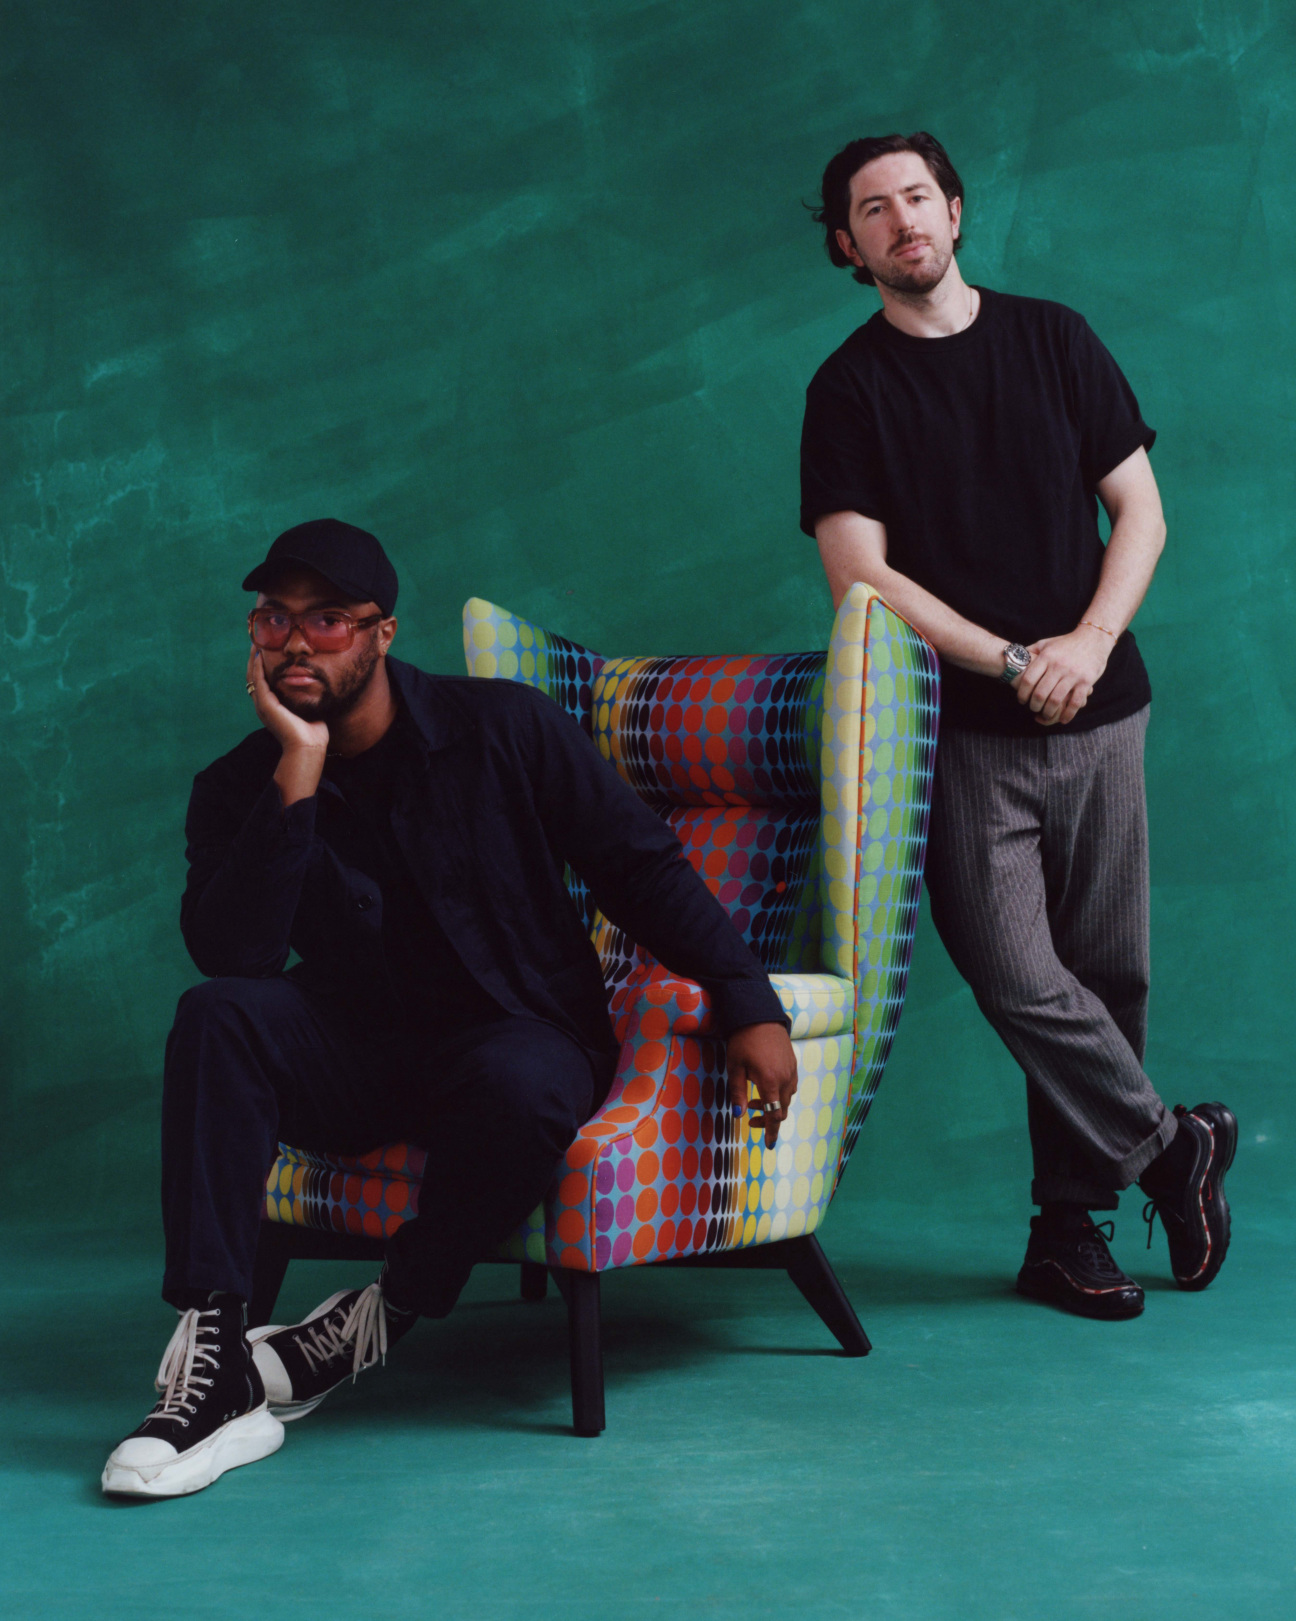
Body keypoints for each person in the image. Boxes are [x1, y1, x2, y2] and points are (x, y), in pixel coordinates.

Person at [102, 518, 797, 1497]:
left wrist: (746, 999)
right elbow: (238, 954)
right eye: (274, 617)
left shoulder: (503, 728)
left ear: (382, 633)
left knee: (522, 1084)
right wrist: (296, 768)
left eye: (328, 620)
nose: (294, 640)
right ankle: (212, 1355)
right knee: (217, 1013)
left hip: (516, 1036)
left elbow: (638, 866)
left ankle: (371, 1323)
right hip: (357, 1049)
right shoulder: (234, 785)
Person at [800, 132, 1235, 1322]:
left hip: (1105, 711)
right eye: (872, 211)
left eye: (917, 197)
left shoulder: (1056, 337)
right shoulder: (850, 388)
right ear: (849, 244)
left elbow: (1139, 510)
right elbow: (861, 576)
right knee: (1017, 974)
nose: (902, 221)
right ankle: (1172, 1145)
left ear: (954, 208)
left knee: (1108, 975)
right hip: (965, 730)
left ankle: (1070, 1230)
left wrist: (1087, 643)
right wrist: (1008, 657)